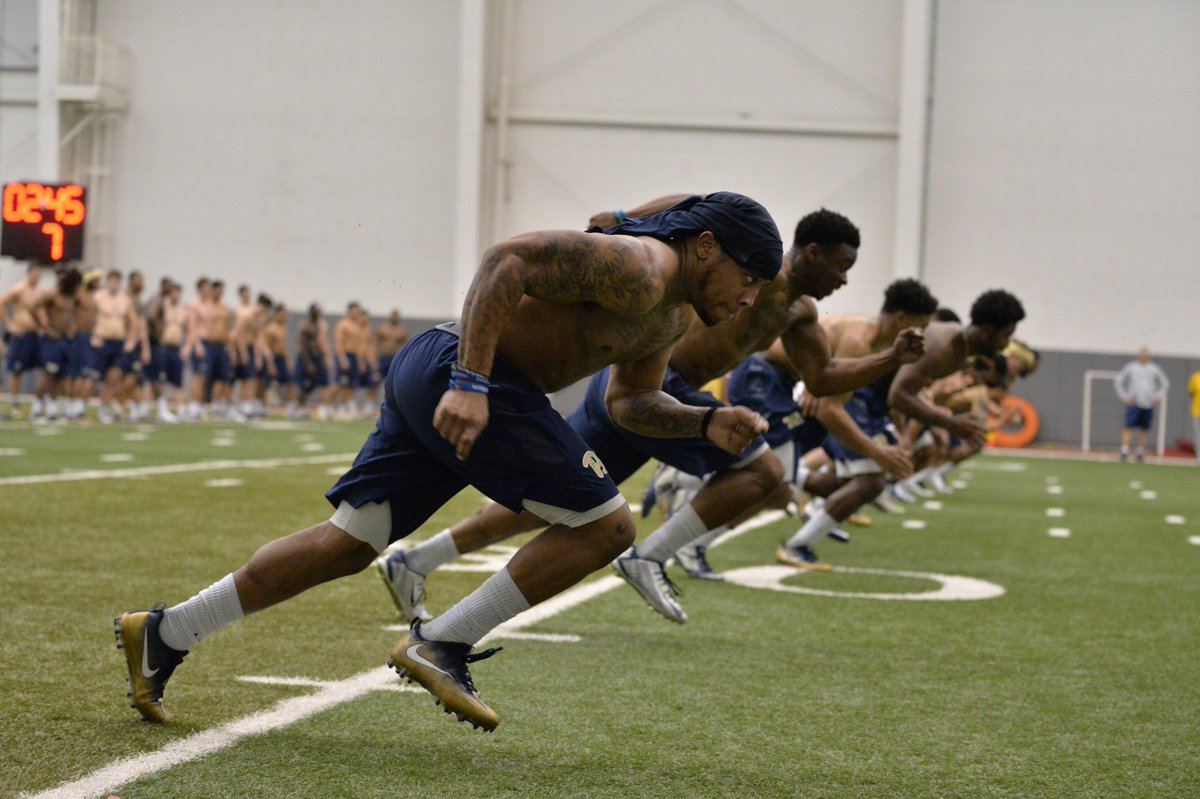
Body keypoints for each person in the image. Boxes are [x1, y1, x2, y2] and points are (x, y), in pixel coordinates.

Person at [114, 191, 781, 732]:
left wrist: (703, 419)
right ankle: (442, 642)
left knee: (349, 543)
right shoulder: (642, 268)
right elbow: (504, 261)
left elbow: (632, 401)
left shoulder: (670, 313)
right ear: (706, 248)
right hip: (465, 370)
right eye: (747, 278)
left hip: (442, 365)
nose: (749, 299)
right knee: (607, 526)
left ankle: (167, 632)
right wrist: (470, 382)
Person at [378, 205, 924, 625]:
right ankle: (651, 555)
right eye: (842, 266)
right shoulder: (737, 260)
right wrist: (627, 218)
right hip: (654, 383)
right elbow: (689, 209)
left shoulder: (800, 313)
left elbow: (824, 380)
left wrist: (891, 359)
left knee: (557, 505)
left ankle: (418, 560)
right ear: (810, 255)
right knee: (766, 473)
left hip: (646, 393)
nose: (846, 281)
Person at [765, 278, 938, 569]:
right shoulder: (861, 341)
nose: (922, 336)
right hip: (770, 378)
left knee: (842, 481)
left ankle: (801, 509)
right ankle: (796, 543)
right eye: (920, 327)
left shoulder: (876, 342)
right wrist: (878, 452)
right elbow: (829, 409)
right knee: (757, 475)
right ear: (901, 319)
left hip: (788, 382)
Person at [888, 289, 1026, 453]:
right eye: (1005, 336)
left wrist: (941, 421)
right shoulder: (943, 345)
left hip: (879, 400)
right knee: (872, 475)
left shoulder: (964, 353)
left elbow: (910, 389)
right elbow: (898, 395)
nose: (1006, 344)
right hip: (863, 393)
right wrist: (949, 423)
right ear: (988, 331)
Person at [31, 266, 82, 421]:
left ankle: (52, 407)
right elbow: (34, 307)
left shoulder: (72, 297)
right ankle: (37, 408)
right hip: (51, 340)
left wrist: (72, 327)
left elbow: (69, 314)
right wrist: (45, 326)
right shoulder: (54, 294)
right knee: (47, 374)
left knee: (60, 376)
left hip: (64, 339)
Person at [0, 263, 45, 418]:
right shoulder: (18, 289)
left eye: (39, 274)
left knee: (43, 369)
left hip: (36, 334)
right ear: (29, 273)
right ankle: (14, 402)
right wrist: (10, 325)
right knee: (17, 370)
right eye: (35, 274)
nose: (37, 277)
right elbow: (1, 304)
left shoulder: (41, 292)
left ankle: (39, 404)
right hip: (21, 334)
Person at [1115, 348, 1169, 462]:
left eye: (1146, 355)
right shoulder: (1132, 367)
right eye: (1142, 355)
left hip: (1147, 404)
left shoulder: (1154, 368)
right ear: (1139, 355)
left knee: (1144, 429)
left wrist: (1157, 396)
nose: (1144, 357)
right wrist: (1124, 396)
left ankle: (1140, 452)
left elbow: (1165, 383)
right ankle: (1124, 451)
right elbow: (1119, 380)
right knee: (1128, 427)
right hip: (1134, 402)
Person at [1188, 367, 1200, 465]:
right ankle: (1199, 457)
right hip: (1197, 411)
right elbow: (1191, 393)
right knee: (1198, 435)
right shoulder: (1195, 377)